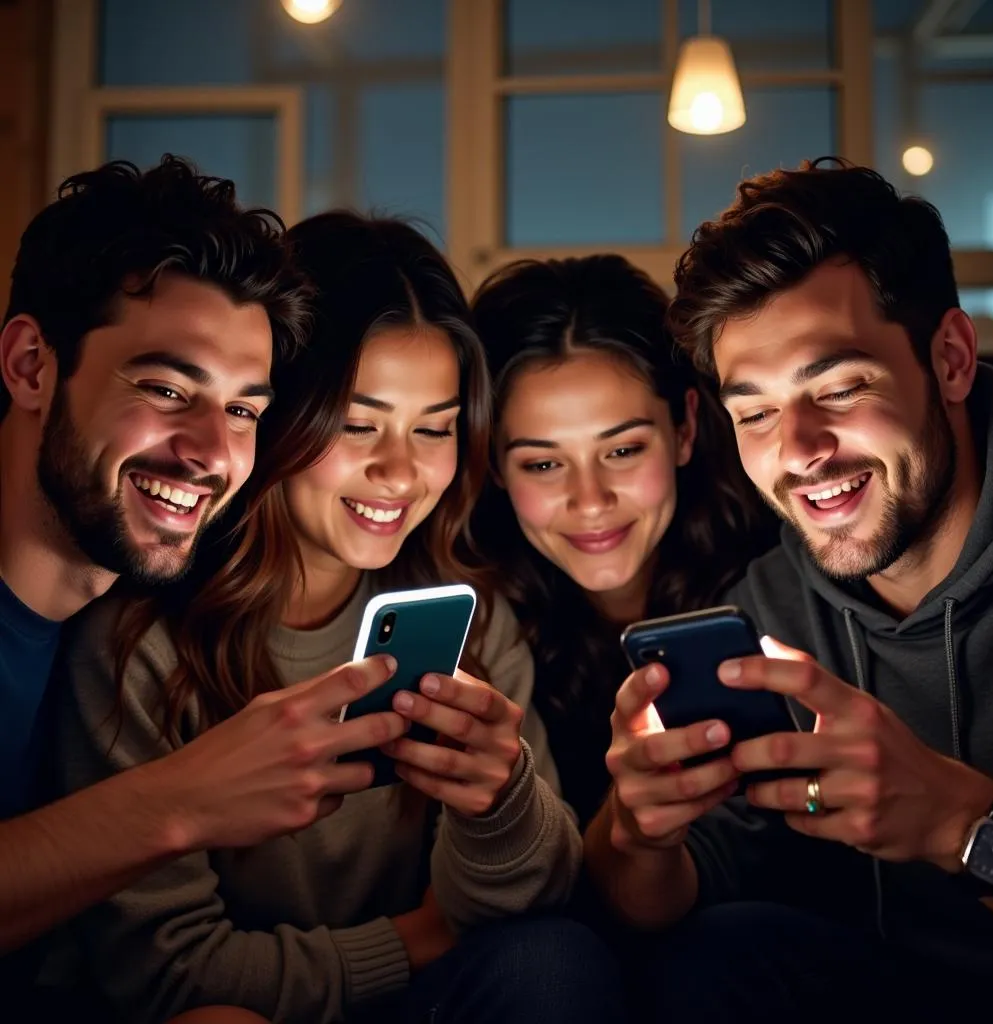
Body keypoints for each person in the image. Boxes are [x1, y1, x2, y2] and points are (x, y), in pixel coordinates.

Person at [53, 212, 621, 1024]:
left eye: (435, 428)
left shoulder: (471, 618)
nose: (400, 471)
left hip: (443, 1001)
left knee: (556, 961)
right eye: (359, 425)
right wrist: (416, 938)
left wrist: (499, 807)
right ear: (280, 412)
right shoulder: (138, 643)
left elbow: (536, 905)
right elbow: (170, 975)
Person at [585, 159, 993, 1020]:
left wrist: (957, 822)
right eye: (755, 413)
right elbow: (648, 905)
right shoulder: (770, 617)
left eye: (839, 387)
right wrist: (638, 831)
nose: (798, 449)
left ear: (952, 359)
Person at [0, 157, 399, 1021]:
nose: (215, 453)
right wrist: (185, 799)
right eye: (166, 389)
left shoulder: (132, 618)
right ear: (32, 365)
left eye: (245, 410)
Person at [470, 254, 775, 829]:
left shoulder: (780, 586)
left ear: (683, 429)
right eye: (542, 464)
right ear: (494, 467)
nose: (590, 499)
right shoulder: (481, 634)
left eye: (623, 450)